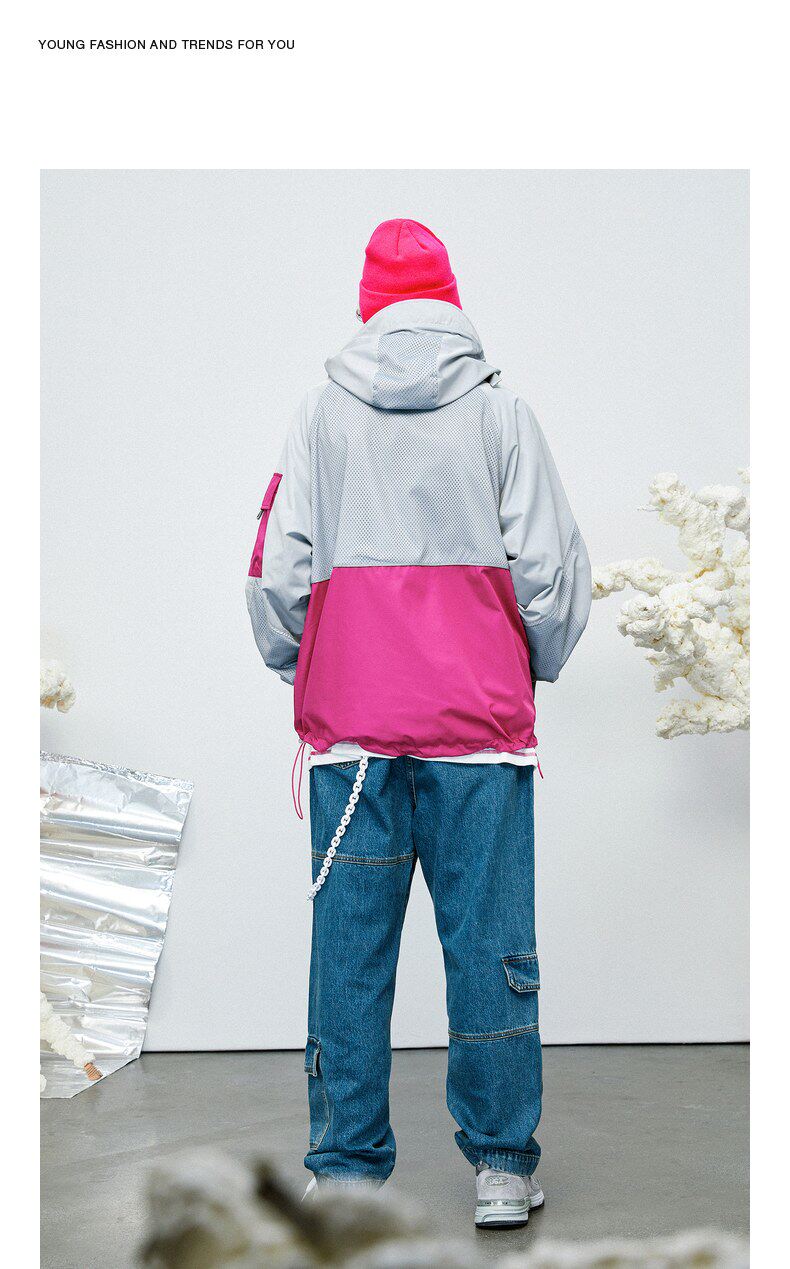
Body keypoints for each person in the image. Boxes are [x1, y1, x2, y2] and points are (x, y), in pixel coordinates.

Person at [246, 218, 591, 1228]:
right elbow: (551, 570)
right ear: (451, 301)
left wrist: (309, 664)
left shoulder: (320, 413)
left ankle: (346, 1172)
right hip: (479, 730)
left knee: (349, 954)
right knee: (489, 943)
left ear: (368, 307)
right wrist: (529, 665)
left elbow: (277, 569)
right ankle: (501, 1168)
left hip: (352, 733)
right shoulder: (501, 410)